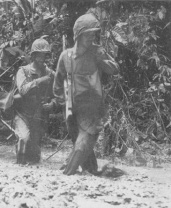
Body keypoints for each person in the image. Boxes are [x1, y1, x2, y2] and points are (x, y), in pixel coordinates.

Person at [53, 13, 119, 175]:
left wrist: (101, 58)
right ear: (78, 35)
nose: (91, 37)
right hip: (71, 110)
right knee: (81, 144)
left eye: (94, 34)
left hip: (92, 109)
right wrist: (63, 104)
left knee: (83, 144)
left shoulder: (96, 52)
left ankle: (67, 174)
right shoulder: (66, 56)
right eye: (88, 34)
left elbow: (114, 69)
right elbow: (57, 83)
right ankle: (92, 171)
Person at [14, 38, 57, 164]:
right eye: (38, 55)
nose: (41, 59)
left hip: (39, 116)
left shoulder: (50, 73)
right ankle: (19, 166)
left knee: (34, 157)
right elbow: (22, 90)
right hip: (22, 113)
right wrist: (40, 81)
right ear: (33, 56)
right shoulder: (23, 71)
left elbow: (58, 94)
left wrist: (52, 104)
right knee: (23, 139)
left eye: (44, 56)